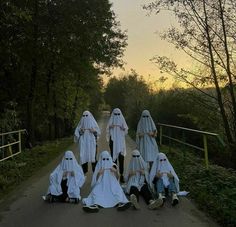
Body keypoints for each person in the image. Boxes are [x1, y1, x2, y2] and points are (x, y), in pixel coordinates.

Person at [106, 108, 128, 183]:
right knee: (113, 158)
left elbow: (126, 129)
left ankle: (121, 175)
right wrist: (110, 127)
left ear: (120, 114)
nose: (117, 116)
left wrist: (123, 128)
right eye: (115, 114)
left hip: (121, 142)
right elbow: (107, 130)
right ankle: (114, 175)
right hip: (113, 141)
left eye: (118, 114)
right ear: (113, 115)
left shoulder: (122, 119)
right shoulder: (111, 120)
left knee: (121, 158)